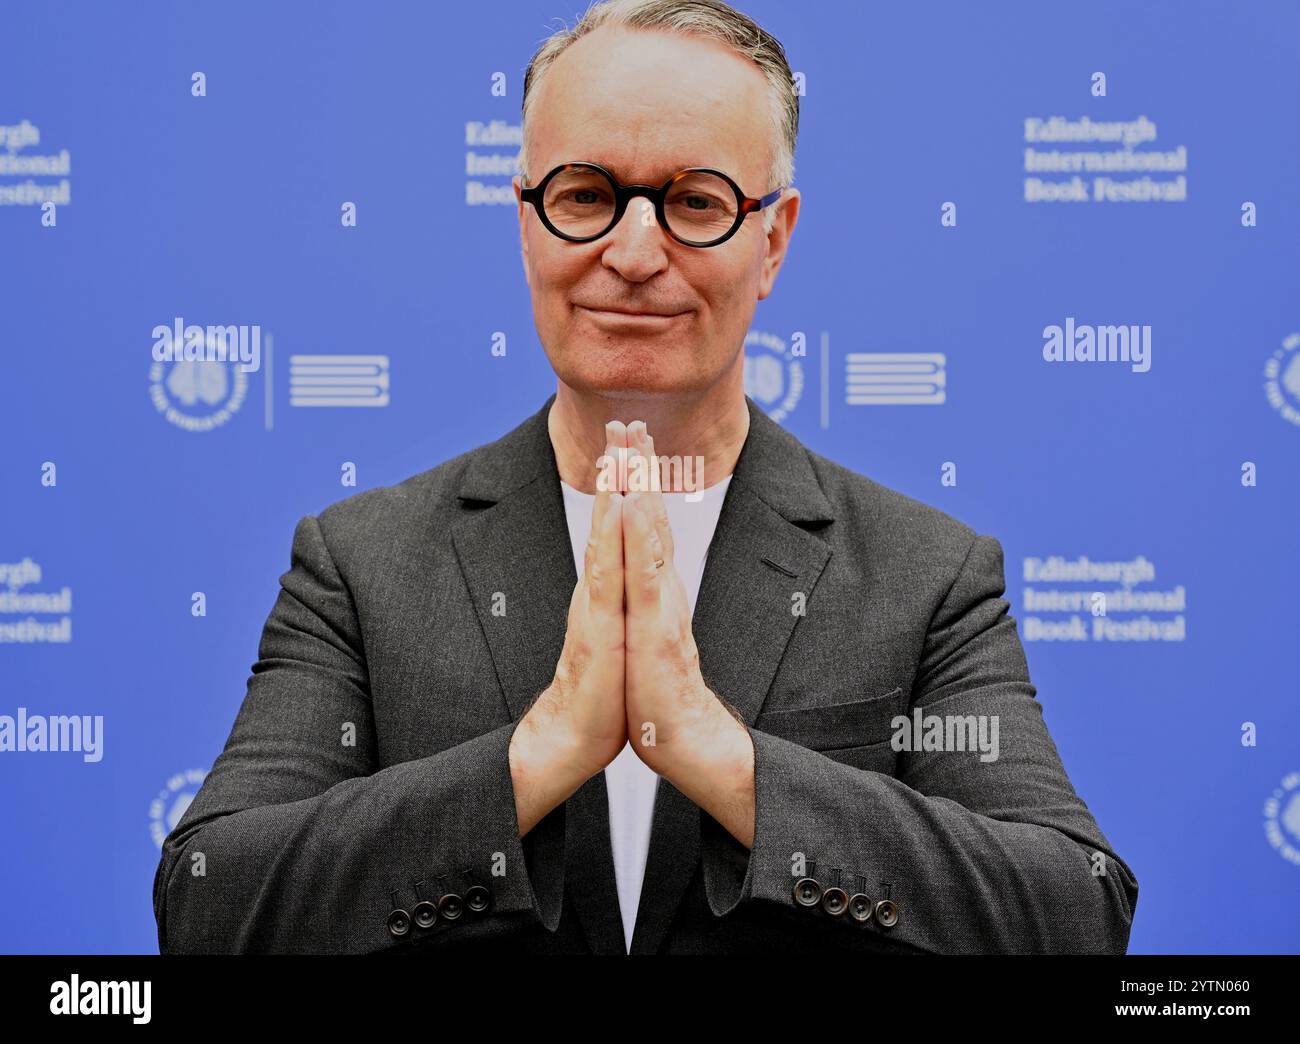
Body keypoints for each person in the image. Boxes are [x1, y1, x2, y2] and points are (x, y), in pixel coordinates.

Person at [153, 0, 1138, 955]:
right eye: (584, 195)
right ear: (527, 221)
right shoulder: (358, 565)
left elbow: (1071, 913)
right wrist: (538, 753)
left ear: (773, 240)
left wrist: (720, 753)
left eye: (693, 202)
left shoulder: (928, 575)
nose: (630, 253)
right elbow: (211, 909)